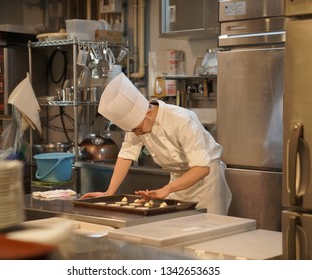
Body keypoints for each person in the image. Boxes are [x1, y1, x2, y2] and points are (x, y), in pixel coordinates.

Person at [80, 73, 232, 215]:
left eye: (138, 130)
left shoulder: (181, 120)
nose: (137, 134)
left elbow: (201, 168)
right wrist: (109, 192)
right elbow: (126, 154)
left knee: (208, 232)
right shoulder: (137, 124)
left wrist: (167, 189)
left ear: (148, 113)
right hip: (177, 181)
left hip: (206, 184)